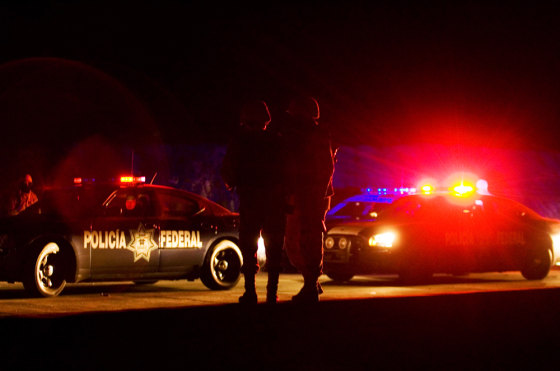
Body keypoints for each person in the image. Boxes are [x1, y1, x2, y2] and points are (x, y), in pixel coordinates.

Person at [221, 100, 288, 304]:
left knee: (249, 247)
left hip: (250, 201)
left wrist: (232, 182)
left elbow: (229, 171)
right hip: (274, 203)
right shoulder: (276, 141)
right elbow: (287, 171)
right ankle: (271, 293)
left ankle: (250, 292)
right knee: (274, 248)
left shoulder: (239, 141)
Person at [280, 96, 335, 303]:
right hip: (299, 194)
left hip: (312, 195)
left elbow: (326, 167)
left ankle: (311, 284)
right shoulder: (294, 136)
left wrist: (316, 194)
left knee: (309, 240)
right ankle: (311, 281)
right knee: (294, 240)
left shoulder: (318, 135)